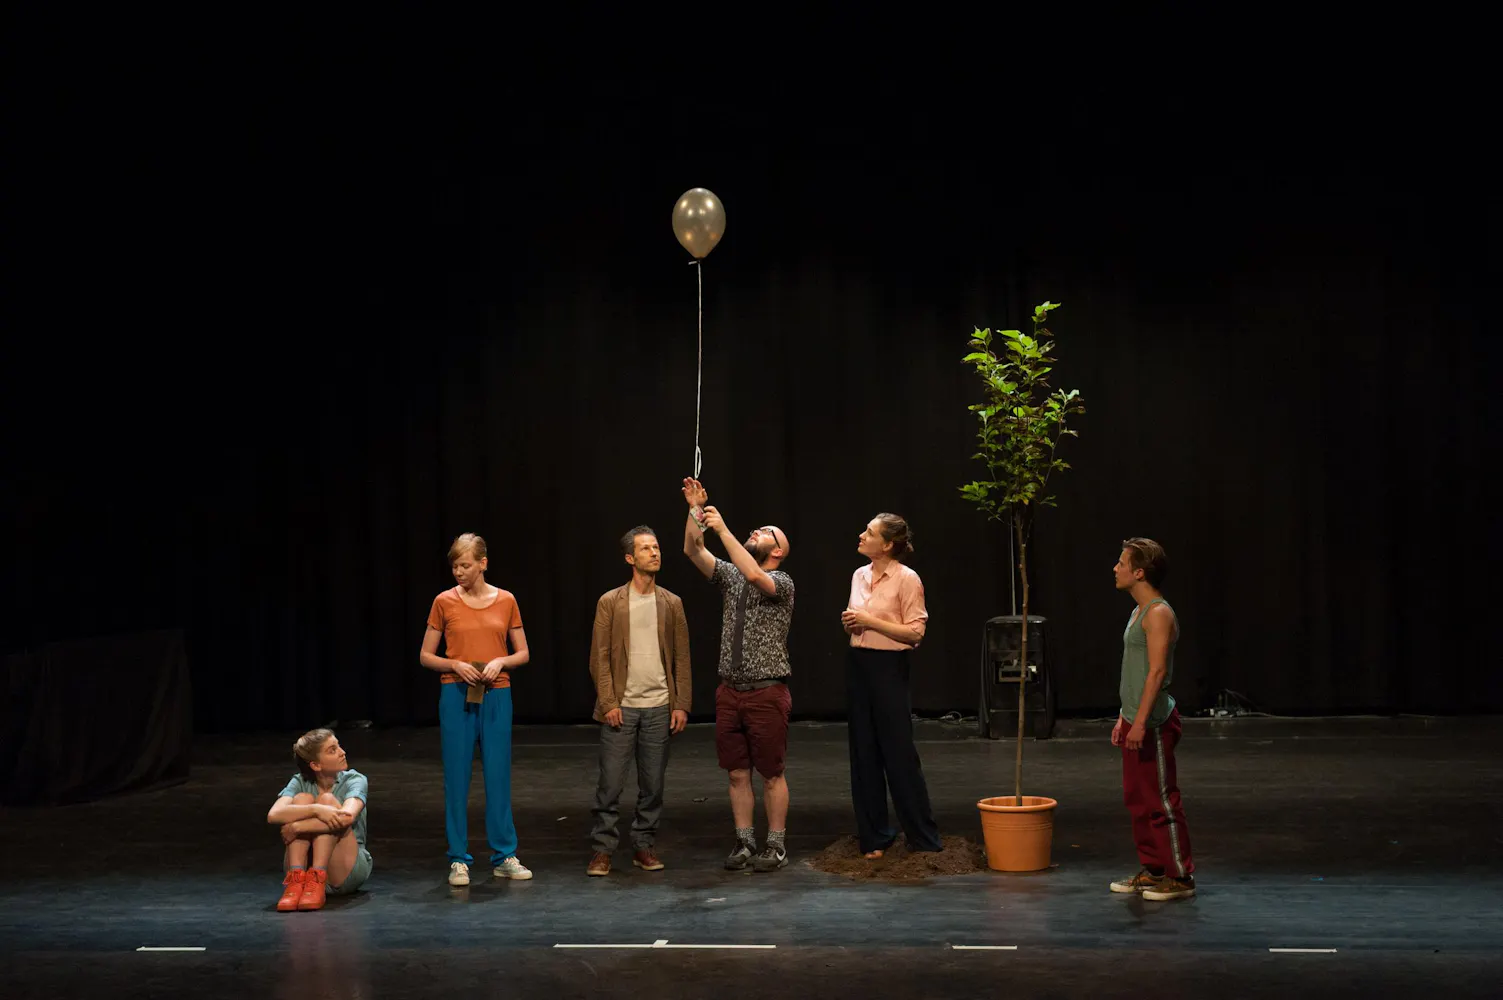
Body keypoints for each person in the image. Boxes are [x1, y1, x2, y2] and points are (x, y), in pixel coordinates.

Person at [681, 477, 796, 873]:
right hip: (730, 692)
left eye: (764, 533)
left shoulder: (781, 582)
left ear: (778, 550)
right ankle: (744, 841)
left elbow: (754, 576)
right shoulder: (730, 575)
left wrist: (724, 529)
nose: (755, 533)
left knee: (771, 773)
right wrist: (696, 510)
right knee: (736, 773)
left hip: (766, 692)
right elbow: (692, 549)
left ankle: (776, 845)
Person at [419, 532, 533, 887]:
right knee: (456, 777)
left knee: (498, 775)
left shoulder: (507, 601)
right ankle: (458, 859)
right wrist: (455, 665)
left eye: (465, 565)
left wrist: (501, 660)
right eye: (454, 566)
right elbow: (426, 656)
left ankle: (504, 855)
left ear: (483, 563)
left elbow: (523, 653)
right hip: (456, 694)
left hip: (496, 694)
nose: (459, 572)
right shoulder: (444, 602)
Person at [586, 525, 692, 876]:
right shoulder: (611, 602)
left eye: (657, 547)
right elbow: (599, 657)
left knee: (653, 785)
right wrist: (609, 701)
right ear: (630, 557)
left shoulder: (671, 603)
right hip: (622, 707)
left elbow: (681, 658)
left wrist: (681, 704)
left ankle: (643, 845)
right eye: (646, 549)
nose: (655, 553)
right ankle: (602, 849)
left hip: (659, 707)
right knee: (611, 783)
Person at [841, 513, 942, 859]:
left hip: (889, 669)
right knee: (863, 753)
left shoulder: (907, 579)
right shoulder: (859, 575)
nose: (861, 535)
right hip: (860, 665)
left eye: (868, 533)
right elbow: (859, 623)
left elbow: (915, 633)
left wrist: (869, 620)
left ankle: (922, 836)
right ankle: (874, 837)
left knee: (898, 754)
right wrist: (854, 625)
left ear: (886, 545)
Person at [1109, 537, 1196, 901]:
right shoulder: (1137, 612)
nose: (1116, 568)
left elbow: (1157, 672)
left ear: (1139, 572)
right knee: (1137, 799)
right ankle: (1154, 868)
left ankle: (1179, 877)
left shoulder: (1159, 613)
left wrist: (1142, 722)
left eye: (1122, 562)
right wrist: (1123, 717)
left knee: (1160, 799)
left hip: (1154, 721)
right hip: (1134, 717)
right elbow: (1135, 669)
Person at [267, 729, 371, 911]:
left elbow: (346, 818)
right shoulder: (299, 782)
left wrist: (298, 826)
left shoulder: (355, 779)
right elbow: (273, 815)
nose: (342, 752)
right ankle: (296, 880)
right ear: (315, 765)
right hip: (304, 872)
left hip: (345, 868)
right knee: (302, 799)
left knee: (328, 800)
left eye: (338, 746)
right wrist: (316, 810)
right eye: (332, 750)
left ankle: (318, 877)